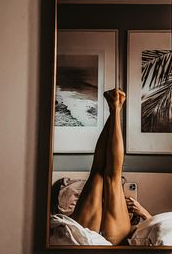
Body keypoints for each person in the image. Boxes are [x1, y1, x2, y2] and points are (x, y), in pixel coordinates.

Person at [51, 88, 131, 245]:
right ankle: (115, 110)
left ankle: (115, 110)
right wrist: (142, 212)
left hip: (86, 234)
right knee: (107, 175)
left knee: (105, 175)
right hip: (114, 239)